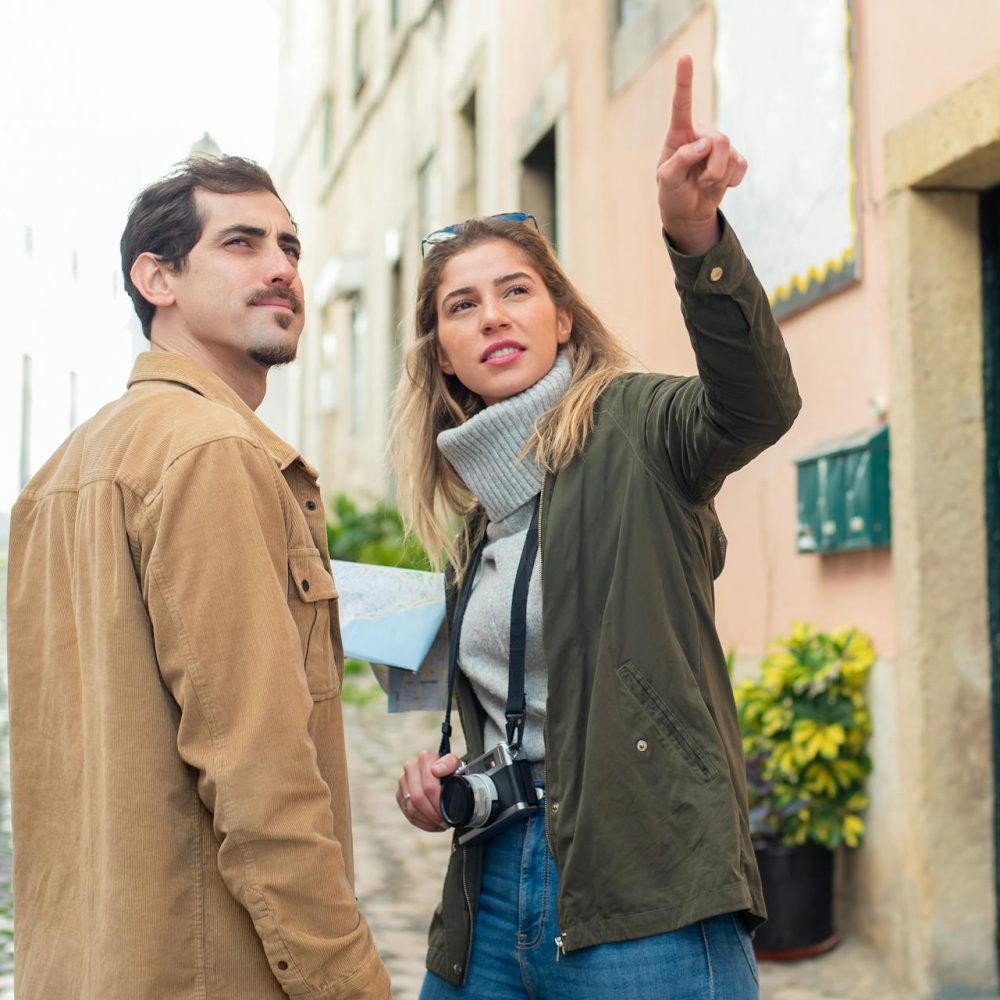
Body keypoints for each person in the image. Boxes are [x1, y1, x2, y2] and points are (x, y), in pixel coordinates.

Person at [392, 56, 799, 999]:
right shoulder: (475, 524)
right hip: (491, 891)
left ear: (563, 318)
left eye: (517, 290)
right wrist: (439, 780)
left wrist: (694, 234)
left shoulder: (637, 426)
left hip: (645, 890)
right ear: (444, 356)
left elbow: (755, 406)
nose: (492, 314)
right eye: (463, 304)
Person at [6, 156, 390, 999]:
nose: (282, 266)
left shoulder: (58, 475)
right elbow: (258, 773)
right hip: (206, 969)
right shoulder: (212, 453)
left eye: (290, 245)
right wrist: (348, 980)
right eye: (242, 243)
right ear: (158, 278)